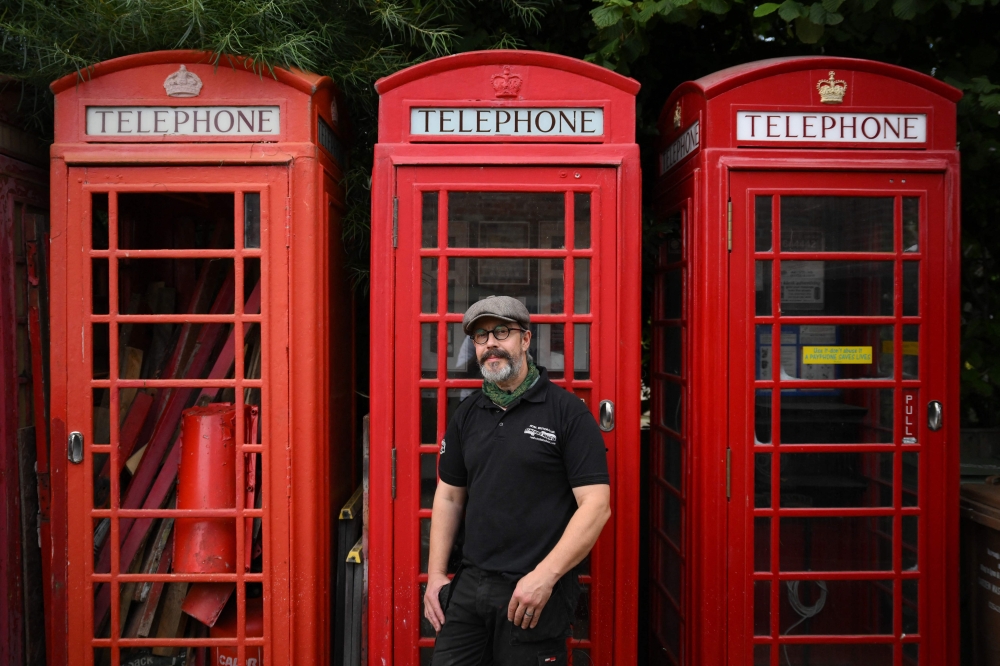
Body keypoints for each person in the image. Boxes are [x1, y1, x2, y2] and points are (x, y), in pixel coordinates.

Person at [424, 295, 611, 665]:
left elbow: (597, 505)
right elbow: (449, 498)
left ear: (525, 340)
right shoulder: (466, 415)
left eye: (502, 332)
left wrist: (545, 576)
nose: (491, 343)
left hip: (533, 594)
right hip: (468, 586)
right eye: (480, 336)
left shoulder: (567, 413)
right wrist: (434, 576)